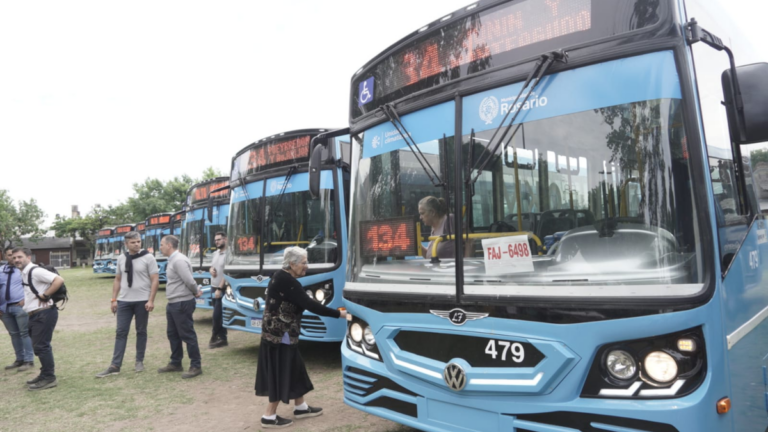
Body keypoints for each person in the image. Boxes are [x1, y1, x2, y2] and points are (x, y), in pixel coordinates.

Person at [255, 246, 347, 429]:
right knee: (284, 370)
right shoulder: (288, 282)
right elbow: (311, 305)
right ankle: (269, 416)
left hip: (278, 334)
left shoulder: (280, 276)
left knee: (295, 367)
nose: (307, 266)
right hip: (281, 336)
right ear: (292, 264)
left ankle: (301, 407)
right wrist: (340, 314)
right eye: (304, 263)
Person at [95, 231, 160, 378]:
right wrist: (113, 299)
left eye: (138, 241)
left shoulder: (148, 258)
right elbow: (118, 279)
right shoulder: (121, 258)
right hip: (124, 301)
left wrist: (151, 300)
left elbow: (155, 279)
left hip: (142, 300)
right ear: (126, 244)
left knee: (141, 331)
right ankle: (115, 365)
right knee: (121, 332)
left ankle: (139, 360)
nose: (137, 244)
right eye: (133, 242)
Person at [12, 247, 64, 391]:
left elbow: (58, 280)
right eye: (14, 257)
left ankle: (49, 378)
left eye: (20, 257)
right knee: (39, 346)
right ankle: (44, 374)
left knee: (42, 346)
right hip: (36, 314)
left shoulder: (35, 270)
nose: (17, 260)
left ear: (28, 257)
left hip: (44, 313)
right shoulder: (24, 272)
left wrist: (45, 295)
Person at [157, 235, 203, 379]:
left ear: (169, 245)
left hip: (181, 302)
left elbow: (189, 280)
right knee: (173, 334)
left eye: (162, 244)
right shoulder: (173, 260)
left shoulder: (179, 260)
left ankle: (196, 365)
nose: (160, 247)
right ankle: (176, 362)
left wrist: (196, 291)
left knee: (187, 335)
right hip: (173, 302)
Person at [1, 246, 35, 372]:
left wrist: (27, 300)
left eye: (16, 256)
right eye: (10, 255)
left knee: (24, 333)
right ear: (5, 256)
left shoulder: (26, 270)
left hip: (20, 307)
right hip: (5, 309)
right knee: (14, 335)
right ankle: (19, 359)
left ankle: (28, 360)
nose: (13, 258)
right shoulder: (1, 270)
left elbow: (34, 285)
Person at [209, 231, 228, 349]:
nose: (217, 242)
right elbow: (212, 266)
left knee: (217, 315)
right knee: (217, 314)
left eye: (219, 239)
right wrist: (211, 270)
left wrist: (220, 289)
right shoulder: (215, 253)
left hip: (222, 288)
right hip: (213, 287)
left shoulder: (228, 254)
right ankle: (222, 338)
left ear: (225, 239)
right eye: (215, 240)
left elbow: (227, 274)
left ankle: (214, 336)